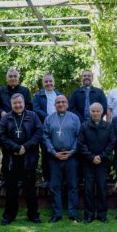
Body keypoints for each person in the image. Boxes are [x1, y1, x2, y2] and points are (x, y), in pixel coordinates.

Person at [0, 93, 42, 225]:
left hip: (29, 157)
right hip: (12, 158)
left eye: (20, 103)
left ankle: (33, 214)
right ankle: (9, 215)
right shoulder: (6, 118)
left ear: (24, 103)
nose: (18, 105)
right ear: (11, 105)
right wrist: (16, 148)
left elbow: (39, 133)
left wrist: (25, 147)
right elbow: (1, 136)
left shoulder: (33, 116)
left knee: (30, 188)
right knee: (11, 188)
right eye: (15, 103)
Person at [43, 95, 81, 223]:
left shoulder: (74, 118)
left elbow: (79, 137)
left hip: (71, 157)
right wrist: (53, 152)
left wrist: (72, 152)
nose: (60, 104)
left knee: (73, 186)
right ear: (54, 105)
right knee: (54, 186)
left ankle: (73, 213)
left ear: (67, 104)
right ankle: (57, 213)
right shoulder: (49, 119)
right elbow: (45, 137)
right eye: (58, 102)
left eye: (63, 102)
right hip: (55, 157)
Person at [78, 103, 115, 223]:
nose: (95, 113)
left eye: (98, 111)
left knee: (102, 188)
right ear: (90, 112)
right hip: (88, 163)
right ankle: (89, 214)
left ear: (102, 112)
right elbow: (81, 144)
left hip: (102, 163)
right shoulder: (84, 126)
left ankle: (102, 214)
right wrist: (91, 157)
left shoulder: (108, 126)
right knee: (88, 189)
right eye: (93, 111)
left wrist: (101, 156)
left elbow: (111, 143)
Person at [33, 73, 61, 187]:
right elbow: (36, 109)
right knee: (45, 153)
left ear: (54, 82)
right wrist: (48, 117)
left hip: (58, 127)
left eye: (50, 81)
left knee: (58, 151)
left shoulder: (59, 95)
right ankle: (47, 179)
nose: (48, 83)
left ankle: (58, 177)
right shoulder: (38, 96)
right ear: (43, 83)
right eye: (46, 81)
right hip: (44, 127)